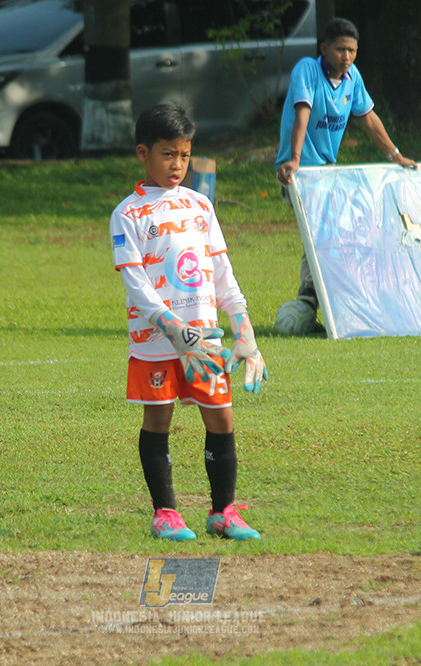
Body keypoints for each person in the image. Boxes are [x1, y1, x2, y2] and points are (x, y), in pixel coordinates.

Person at [110, 102, 268, 542]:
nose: (177, 164)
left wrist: (244, 328)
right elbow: (136, 282)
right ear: (143, 153)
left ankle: (223, 512)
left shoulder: (200, 205)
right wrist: (171, 327)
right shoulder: (127, 214)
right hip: (157, 342)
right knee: (158, 420)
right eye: (167, 154)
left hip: (204, 340)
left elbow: (221, 272)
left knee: (222, 418)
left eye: (184, 155)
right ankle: (165, 513)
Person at [275, 17, 418, 317]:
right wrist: (295, 159)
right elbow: (302, 113)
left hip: (328, 173)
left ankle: (320, 297)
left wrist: (396, 155)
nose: (347, 57)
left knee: (331, 232)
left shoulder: (353, 78)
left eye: (352, 50)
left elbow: (369, 120)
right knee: (322, 232)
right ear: (324, 48)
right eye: (340, 49)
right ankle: (314, 297)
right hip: (298, 172)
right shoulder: (307, 70)